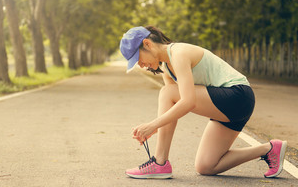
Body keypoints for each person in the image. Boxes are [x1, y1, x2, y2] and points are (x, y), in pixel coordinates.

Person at [119, 26, 287, 179]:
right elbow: (174, 107)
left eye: (138, 59)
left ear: (147, 44)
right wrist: (154, 129)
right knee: (206, 165)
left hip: (238, 95)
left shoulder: (178, 53)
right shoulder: (167, 69)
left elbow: (188, 101)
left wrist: (153, 125)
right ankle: (269, 149)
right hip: (227, 105)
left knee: (166, 92)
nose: (140, 65)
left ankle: (160, 163)